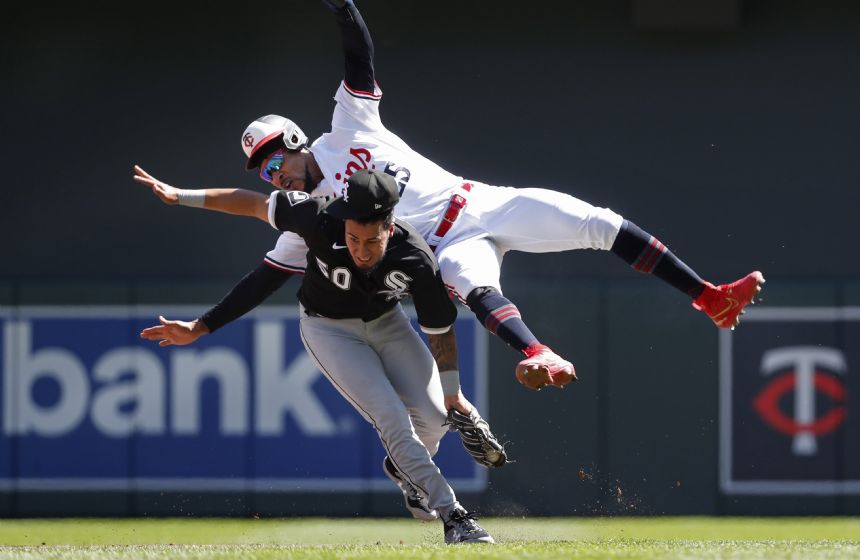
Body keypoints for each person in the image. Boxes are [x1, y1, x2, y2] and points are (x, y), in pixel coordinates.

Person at [133, 0, 763, 391]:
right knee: (471, 286)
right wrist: (205, 324)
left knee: (598, 222)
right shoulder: (313, 219)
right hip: (443, 245)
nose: (276, 176)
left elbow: (358, 58)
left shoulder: (345, 131)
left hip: (482, 201)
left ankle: (708, 296)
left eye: (276, 161)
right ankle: (539, 353)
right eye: (265, 173)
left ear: (296, 142)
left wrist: (342, 7)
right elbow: (260, 279)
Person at [141, 169, 495, 544]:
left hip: (387, 322)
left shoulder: (416, 258)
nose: (361, 250)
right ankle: (454, 516)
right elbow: (251, 204)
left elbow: (440, 333)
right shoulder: (317, 215)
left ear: (390, 227)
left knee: (435, 418)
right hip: (328, 329)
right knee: (391, 418)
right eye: (353, 237)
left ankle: (403, 468)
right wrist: (182, 195)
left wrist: (453, 393)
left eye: (371, 240)